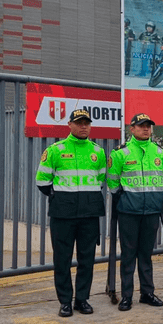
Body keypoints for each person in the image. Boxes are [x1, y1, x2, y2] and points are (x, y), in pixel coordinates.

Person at [36, 109, 106, 317]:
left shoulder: (98, 151)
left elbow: (100, 180)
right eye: (79, 122)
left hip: (89, 214)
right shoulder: (55, 150)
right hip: (63, 215)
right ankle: (65, 301)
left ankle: (82, 299)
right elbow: (42, 182)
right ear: (70, 124)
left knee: (87, 259)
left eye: (87, 123)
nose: (83, 126)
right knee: (62, 260)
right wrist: (63, 198)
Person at [108, 113, 163, 311]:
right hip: (129, 212)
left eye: (148, 126)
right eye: (141, 126)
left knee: (146, 255)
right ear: (131, 129)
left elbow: (160, 180)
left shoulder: (160, 152)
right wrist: (125, 200)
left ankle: (147, 293)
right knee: (128, 255)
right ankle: (126, 296)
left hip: (151, 211)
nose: (146, 129)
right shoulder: (120, 153)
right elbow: (112, 183)